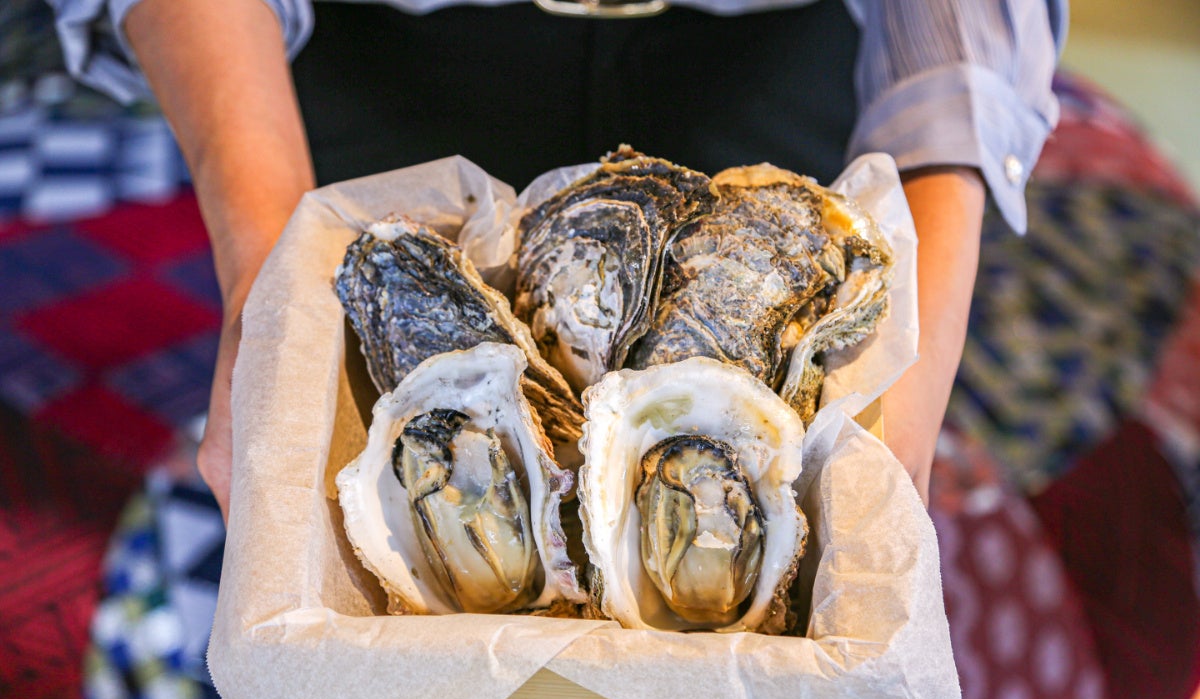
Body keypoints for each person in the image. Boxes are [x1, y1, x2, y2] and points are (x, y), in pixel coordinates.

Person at [48, 0, 1064, 520]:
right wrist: (262, 278)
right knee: (405, 665)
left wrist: (914, 353)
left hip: (784, 74)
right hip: (378, 67)